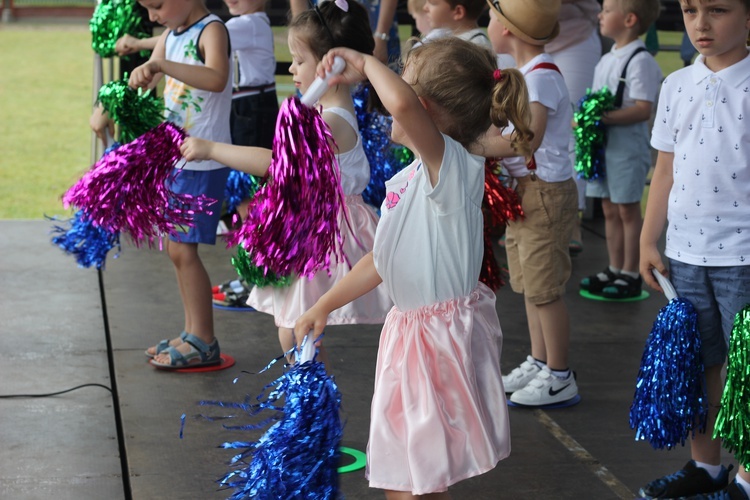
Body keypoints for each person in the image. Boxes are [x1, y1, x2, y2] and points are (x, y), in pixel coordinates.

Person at [293, 37, 533, 498]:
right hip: (410, 339)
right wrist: (323, 305)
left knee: (416, 477)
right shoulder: (411, 178)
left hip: (437, 345)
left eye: (402, 84)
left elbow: (401, 103)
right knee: (405, 474)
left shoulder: (453, 166)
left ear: (423, 107)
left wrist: (365, 62)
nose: (392, 101)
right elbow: (382, 260)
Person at [181, 0, 393, 360]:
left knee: (296, 331)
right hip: (311, 229)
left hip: (329, 237)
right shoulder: (320, 113)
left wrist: (212, 148)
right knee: (293, 330)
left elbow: (275, 164)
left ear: (334, 64)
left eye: (299, 59)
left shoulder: (330, 123)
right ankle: (307, 402)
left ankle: (309, 405)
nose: (292, 68)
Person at [638, 0, 750, 496]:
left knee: (745, 370)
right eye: (689, 10)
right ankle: (705, 468)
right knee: (698, 363)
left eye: (718, 9)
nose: (700, 24)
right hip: (685, 254)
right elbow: (665, 169)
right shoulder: (675, 85)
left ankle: (746, 476)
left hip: (744, 256)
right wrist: (647, 237)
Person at [119, 0, 233, 368]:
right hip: (177, 157)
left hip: (203, 160)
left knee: (184, 250)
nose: (153, 16)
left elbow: (216, 77)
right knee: (174, 248)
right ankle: (190, 332)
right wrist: (146, 73)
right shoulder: (172, 33)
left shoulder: (212, 29)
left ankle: (204, 339)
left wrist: (161, 63)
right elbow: (160, 75)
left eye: (157, 6)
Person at [484, 0, 580, 407]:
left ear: (508, 30)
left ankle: (559, 375)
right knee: (529, 285)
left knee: (545, 288)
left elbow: (528, 139)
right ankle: (540, 362)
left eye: (491, 17)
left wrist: (474, 145)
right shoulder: (526, 74)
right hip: (527, 191)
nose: (487, 23)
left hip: (544, 192)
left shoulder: (539, 78)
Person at [578, 0, 662, 300]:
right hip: (605, 149)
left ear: (629, 20)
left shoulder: (640, 61)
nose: (600, 15)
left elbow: (642, 109)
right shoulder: (606, 59)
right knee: (609, 209)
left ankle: (631, 272)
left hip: (626, 151)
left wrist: (598, 119)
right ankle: (614, 267)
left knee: (627, 210)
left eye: (607, 10)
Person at [210, 0, 280, 308]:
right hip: (247, 106)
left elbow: (203, 37)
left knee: (249, 197)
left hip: (253, 109)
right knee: (244, 196)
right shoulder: (248, 23)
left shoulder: (248, 24)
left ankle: (256, 278)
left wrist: (142, 43)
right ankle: (252, 273)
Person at [545, 0, 602, 255]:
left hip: (573, 34)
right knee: (521, 124)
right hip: (518, 32)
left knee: (573, 128)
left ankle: (572, 221)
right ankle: (521, 217)